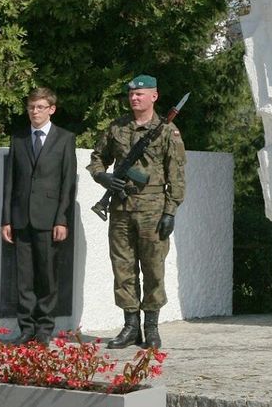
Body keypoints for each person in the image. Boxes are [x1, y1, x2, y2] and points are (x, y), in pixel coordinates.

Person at [88, 75, 185, 349]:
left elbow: (176, 174)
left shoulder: (167, 131)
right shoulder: (117, 128)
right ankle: (130, 327)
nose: (134, 98)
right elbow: (98, 158)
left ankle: (151, 327)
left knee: (153, 269)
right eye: (131, 94)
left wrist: (170, 211)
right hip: (120, 208)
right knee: (123, 269)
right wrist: (103, 178)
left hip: (153, 209)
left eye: (140, 94)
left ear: (154, 96)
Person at [1, 87, 77, 345]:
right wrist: (7, 219)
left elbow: (67, 183)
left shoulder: (64, 138)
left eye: (40, 107)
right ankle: (26, 328)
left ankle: (44, 328)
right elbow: (10, 181)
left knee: (47, 275)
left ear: (51, 109)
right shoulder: (19, 138)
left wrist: (61, 219)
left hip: (49, 219)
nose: (35, 112)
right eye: (32, 107)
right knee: (24, 277)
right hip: (21, 217)